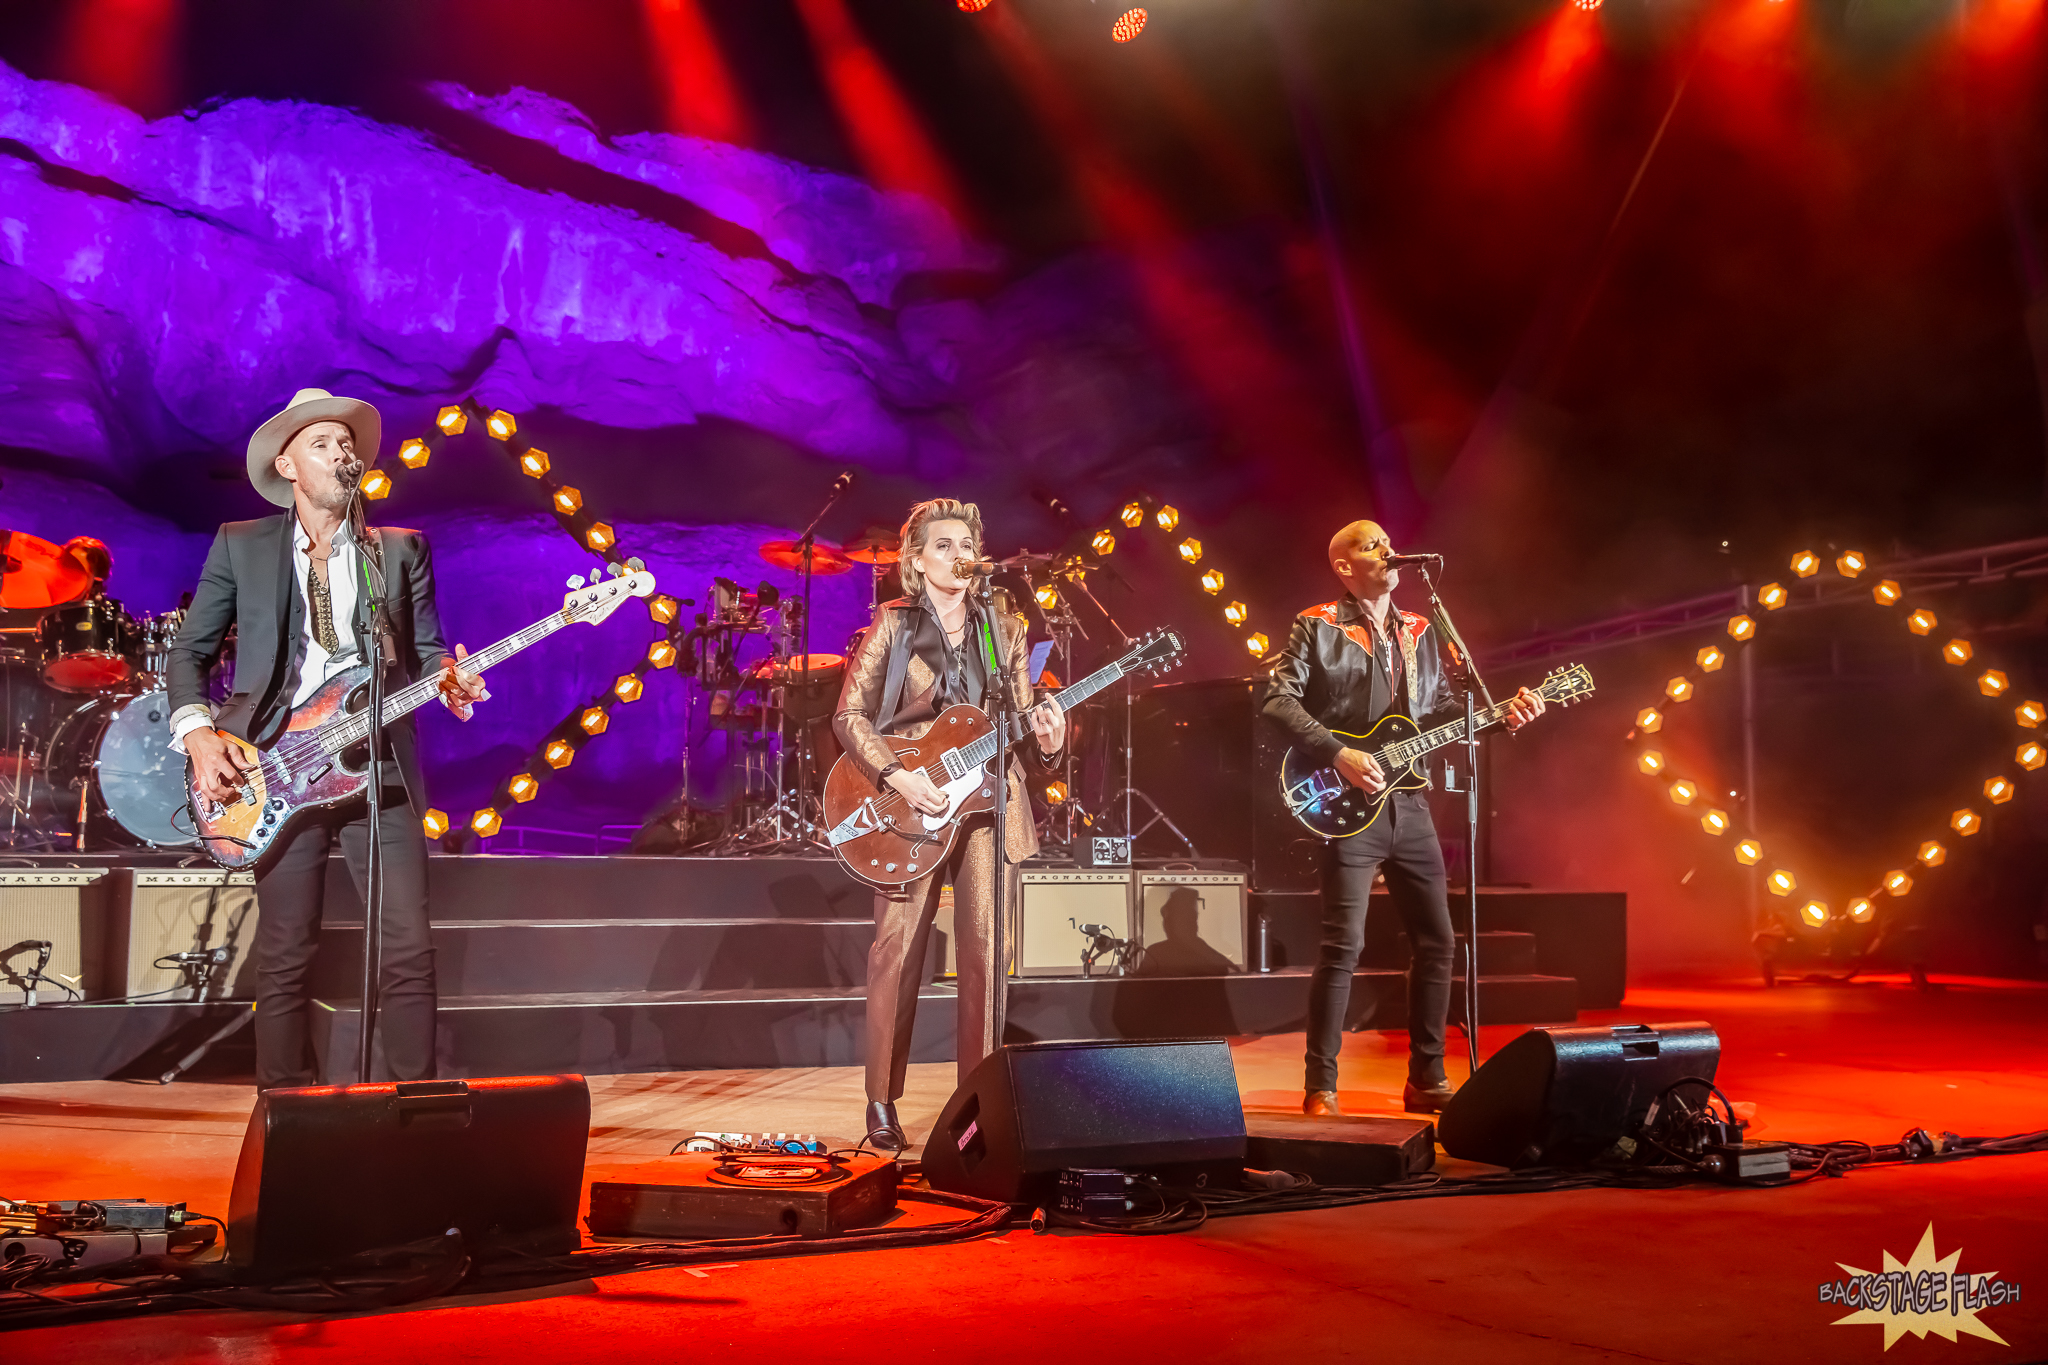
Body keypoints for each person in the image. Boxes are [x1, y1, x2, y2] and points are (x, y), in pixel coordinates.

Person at [166, 387, 486, 1090]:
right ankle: (286, 1112)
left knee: (408, 946)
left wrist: (449, 677)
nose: (342, 453)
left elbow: (429, 651)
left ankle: (414, 1107)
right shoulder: (241, 544)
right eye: (323, 444)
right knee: (285, 951)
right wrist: (200, 738)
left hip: (380, 764)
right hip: (275, 766)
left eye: (348, 445)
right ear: (287, 464)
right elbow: (187, 653)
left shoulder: (399, 551)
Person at [1261, 520, 1544, 1116]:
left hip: (1410, 805)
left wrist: (1502, 715)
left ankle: (1427, 1077)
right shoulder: (1317, 625)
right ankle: (1321, 1085)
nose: (1388, 553)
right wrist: (1338, 751)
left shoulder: (1421, 629)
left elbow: (1442, 711)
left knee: (1438, 941)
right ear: (1344, 565)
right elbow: (1277, 699)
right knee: (1344, 945)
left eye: (1388, 543)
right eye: (1371, 546)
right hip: (1347, 802)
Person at [833, 498, 1065, 1151]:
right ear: (915, 560)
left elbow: (1022, 721)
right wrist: (892, 773)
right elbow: (849, 716)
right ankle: (881, 1101)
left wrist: (1050, 735)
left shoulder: (1004, 625)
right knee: (897, 952)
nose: (957, 556)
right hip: (911, 803)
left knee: (986, 955)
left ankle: (979, 1105)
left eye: (966, 543)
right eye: (942, 545)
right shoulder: (896, 624)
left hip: (989, 803)